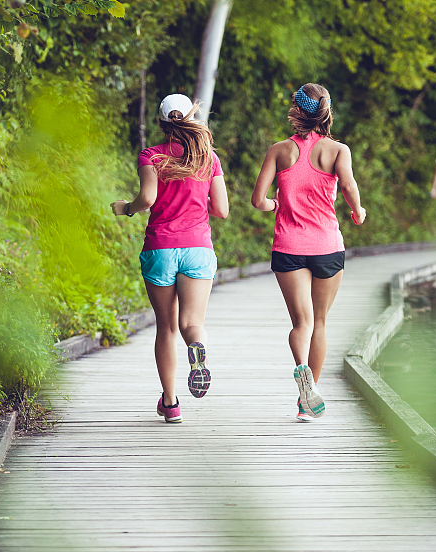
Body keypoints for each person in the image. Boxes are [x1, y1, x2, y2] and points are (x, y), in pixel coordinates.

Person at [110, 93, 229, 423]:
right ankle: (198, 348)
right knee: (192, 323)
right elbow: (221, 209)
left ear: (161, 124)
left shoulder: (151, 155)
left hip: (160, 247)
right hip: (197, 248)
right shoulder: (208, 158)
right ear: (192, 118)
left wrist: (126, 208)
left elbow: (147, 198)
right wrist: (196, 199)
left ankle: (171, 403)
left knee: (166, 327)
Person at [251, 83, 365, 421]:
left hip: (288, 246)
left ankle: (301, 368)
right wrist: (357, 211)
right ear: (327, 112)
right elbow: (348, 185)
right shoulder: (338, 151)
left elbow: (258, 200)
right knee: (320, 323)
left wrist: (275, 205)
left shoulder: (279, 151)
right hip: (326, 246)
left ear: (297, 110)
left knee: (301, 323)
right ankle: (307, 399)